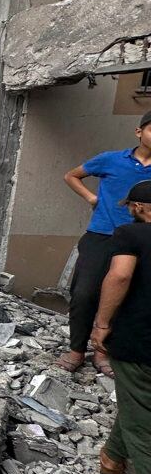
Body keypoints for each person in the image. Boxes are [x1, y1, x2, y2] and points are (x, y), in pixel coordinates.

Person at [61, 112, 151, 375]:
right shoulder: (110, 159)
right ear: (138, 132)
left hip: (141, 240)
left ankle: (103, 352)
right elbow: (71, 175)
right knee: (84, 292)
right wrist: (91, 198)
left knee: (126, 296)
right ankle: (77, 349)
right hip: (102, 234)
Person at [89, 179, 151, 474]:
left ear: (141, 208)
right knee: (136, 397)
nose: (128, 210)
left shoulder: (131, 234)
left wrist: (101, 324)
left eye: (131, 205)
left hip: (140, 341)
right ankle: (112, 459)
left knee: (142, 424)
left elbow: (120, 274)